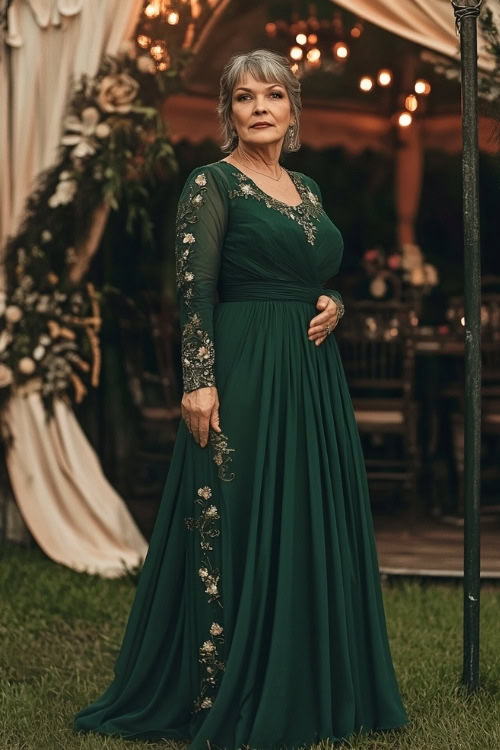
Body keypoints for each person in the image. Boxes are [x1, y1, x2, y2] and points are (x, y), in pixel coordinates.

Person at [74, 48, 408, 748]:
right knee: (239, 508)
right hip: (245, 365)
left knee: (307, 513)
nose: (260, 107)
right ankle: (222, 683)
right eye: (246, 97)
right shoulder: (211, 183)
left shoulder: (308, 187)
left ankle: (311, 680)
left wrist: (336, 302)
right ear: (228, 111)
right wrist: (199, 379)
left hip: (312, 374)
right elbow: (193, 288)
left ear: (293, 110)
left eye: (274, 95)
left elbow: (317, 271)